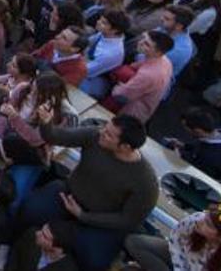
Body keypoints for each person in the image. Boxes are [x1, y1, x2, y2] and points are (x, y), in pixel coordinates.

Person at [17, 114, 158, 271]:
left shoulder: (145, 183)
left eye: (108, 134)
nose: (102, 132)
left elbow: (127, 220)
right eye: (105, 127)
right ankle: (11, 249)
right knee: (30, 209)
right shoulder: (94, 135)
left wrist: (83, 216)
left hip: (101, 222)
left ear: (125, 147)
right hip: (69, 195)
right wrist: (46, 123)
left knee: (94, 262)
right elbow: (57, 136)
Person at [124, 206, 221, 271]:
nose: (201, 221)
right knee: (135, 242)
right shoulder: (196, 220)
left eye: (208, 224)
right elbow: (175, 242)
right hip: (182, 260)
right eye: (206, 217)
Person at [7, 221, 78, 271]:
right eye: (42, 229)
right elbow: (15, 253)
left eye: (44, 236)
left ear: (57, 248)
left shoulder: (68, 268)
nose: (37, 233)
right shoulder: (31, 235)